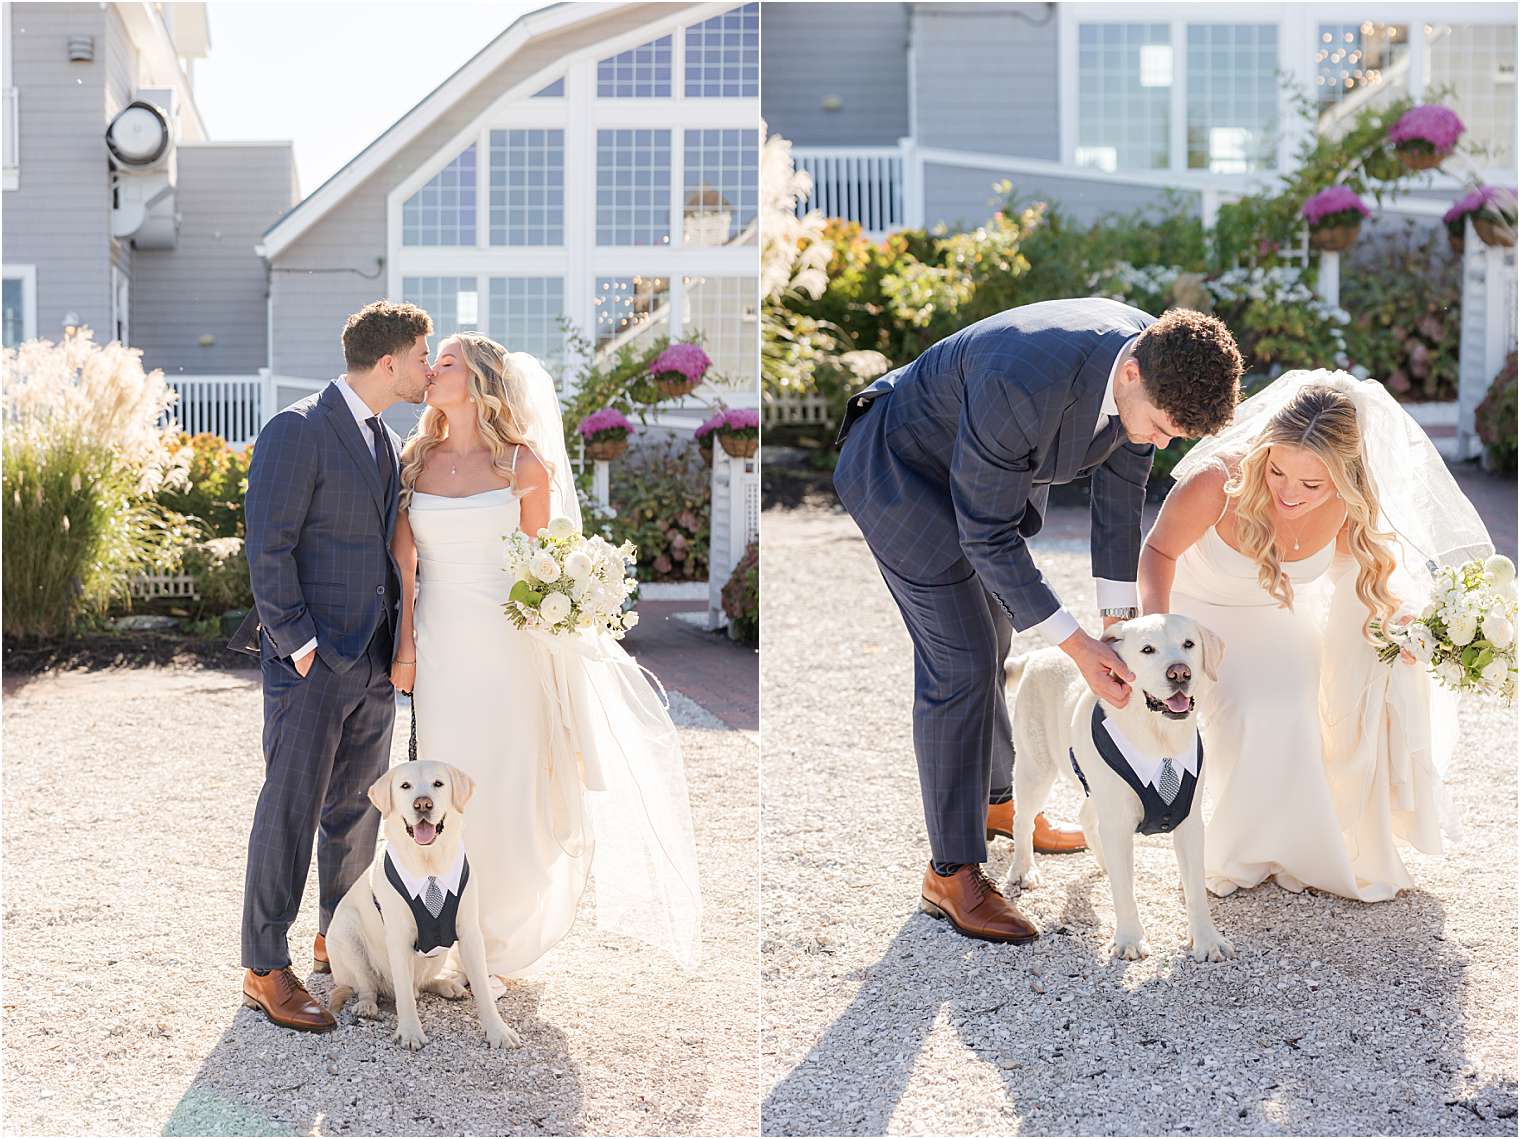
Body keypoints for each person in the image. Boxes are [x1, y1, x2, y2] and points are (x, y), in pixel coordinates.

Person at [832, 298, 1243, 942]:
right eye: (1162, 427)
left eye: (1175, 438)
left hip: (980, 472)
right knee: (962, 660)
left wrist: (1121, 633)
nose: (1162, 443)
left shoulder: (1156, 362)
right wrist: (1080, 649)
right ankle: (952, 871)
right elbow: (988, 537)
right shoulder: (1017, 383)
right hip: (901, 471)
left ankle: (1000, 804)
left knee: (996, 629)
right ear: (1131, 374)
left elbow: (1118, 502)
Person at [392, 333, 702, 994]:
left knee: (506, 788)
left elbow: (543, 567)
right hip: (442, 647)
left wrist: (563, 607)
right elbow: (405, 565)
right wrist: (406, 647)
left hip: (508, 651)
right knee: (444, 790)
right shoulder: (414, 460)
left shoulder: (524, 467)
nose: (429, 370)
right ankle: (443, 931)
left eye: (443, 362)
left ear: (477, 382)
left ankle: (496, 942)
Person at [1140, 371, 1492, 900]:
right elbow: (1157, 553)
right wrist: (1160, 633)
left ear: (1343, 478)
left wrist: (1400, 630)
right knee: (1251, 703)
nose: (1288, 493)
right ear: (1264, 452)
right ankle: (1237, 852)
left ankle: (1298, 847)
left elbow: (1364, 581)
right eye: (1278, 471)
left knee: (1301, 700)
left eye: (1312, 485)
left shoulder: (1352, 506)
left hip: (1276, 615)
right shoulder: (1217, 482)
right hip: (1197, 615)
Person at [239, 301, 431, 1031]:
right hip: (313, 666)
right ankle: (263, 968)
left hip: (374, 666)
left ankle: (336, 941)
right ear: (388, 362)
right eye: (421, 356)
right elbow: (268, 548)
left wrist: (392, 653)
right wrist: (304, 646)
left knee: (354, 814)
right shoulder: (298, 429)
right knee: (288, 813)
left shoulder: (384, 438)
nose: (425, 367)